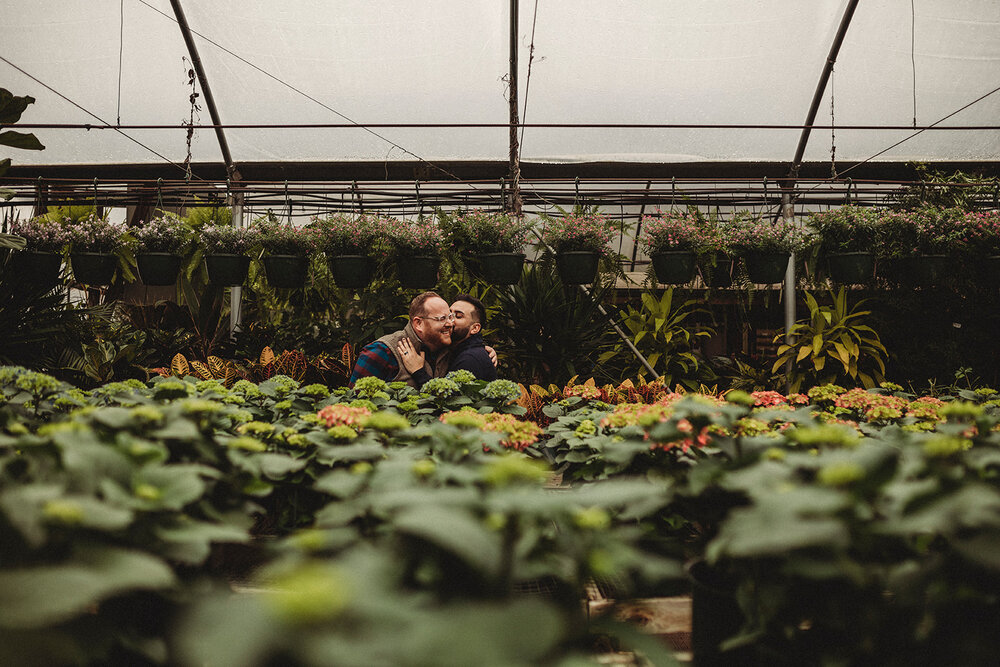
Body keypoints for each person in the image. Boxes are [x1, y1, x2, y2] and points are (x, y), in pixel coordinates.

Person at [348, 291, 454, 387]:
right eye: (442, 318)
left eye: (450, 317)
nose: (450, 323)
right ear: (419, 323)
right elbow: (354, 402)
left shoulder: (446, 349)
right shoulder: (382, 352)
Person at [396, 293, 497, 382]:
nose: (450, 322)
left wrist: (418, 371)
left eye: (458, 316)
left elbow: (447, 400)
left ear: (475, 328)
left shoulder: (469, 359)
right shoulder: (454, 349)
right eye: (449, 315)